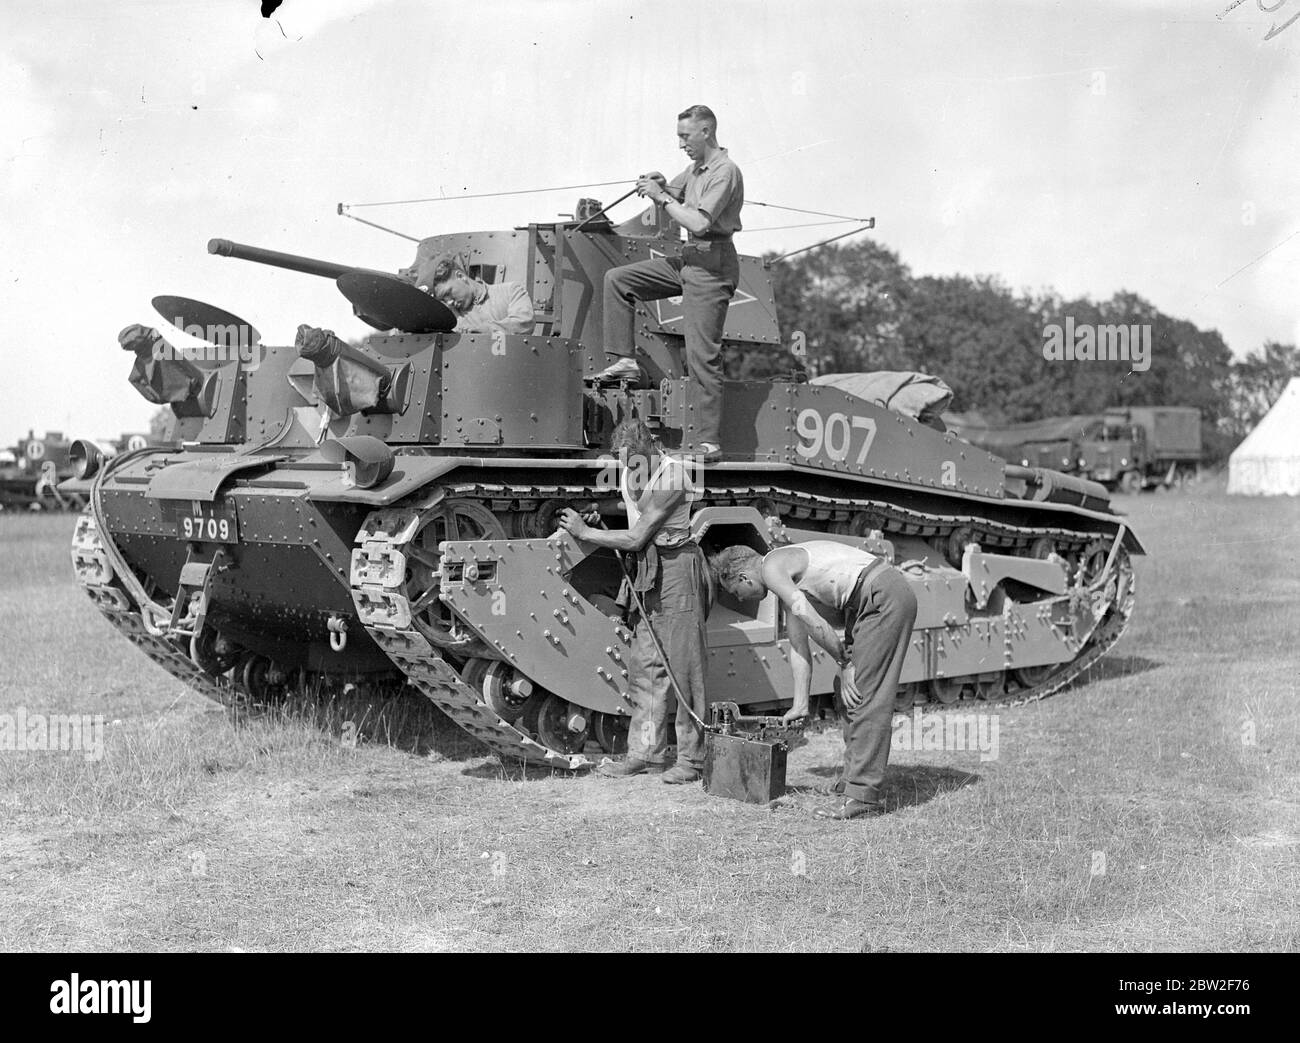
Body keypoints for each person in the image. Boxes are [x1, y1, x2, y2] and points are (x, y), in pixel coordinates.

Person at [712, 541, 918, 820]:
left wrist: (845, 662)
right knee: (844, 692)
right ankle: (853, 779)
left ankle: (864, 796)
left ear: (743, 578)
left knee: (863, 692)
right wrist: (800, 704)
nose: (739, 599)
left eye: (736, 592)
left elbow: (814, 621)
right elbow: (799, 646)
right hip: (868, 600)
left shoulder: (772, 569)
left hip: (882, 595)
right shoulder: (781, 575)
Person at [557, 417, 710, 783]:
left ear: (651, 450)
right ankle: (645, 754)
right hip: (647, 572)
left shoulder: (673, 477)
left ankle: (692, 760)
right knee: (646, 669)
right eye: (625, 464)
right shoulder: (633, 471)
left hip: (676, 569)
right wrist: (601, 515)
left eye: (635, 462)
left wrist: (585, 531)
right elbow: (632, 514)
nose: (630, 471)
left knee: (685, 669)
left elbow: (639, 535)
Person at [594, 104, 744, 461]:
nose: (681, 144)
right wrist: (662, 185)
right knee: (618, 280)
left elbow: (698, 223)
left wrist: (661, 196)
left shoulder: (724, 172)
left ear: (706, 132)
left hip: (713, 266)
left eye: (685, 136)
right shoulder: (696, 169)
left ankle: (710, 444)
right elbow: (675, 192)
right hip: (690, 261)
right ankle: (625, 360)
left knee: (701, 355)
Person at [417, 252, 534, 335]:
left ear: (460, 276)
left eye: (449, 293)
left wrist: (488, 330)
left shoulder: (511, 291)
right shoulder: (449, 317)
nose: (449, 302)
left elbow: (523, 322)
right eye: (443, 299)